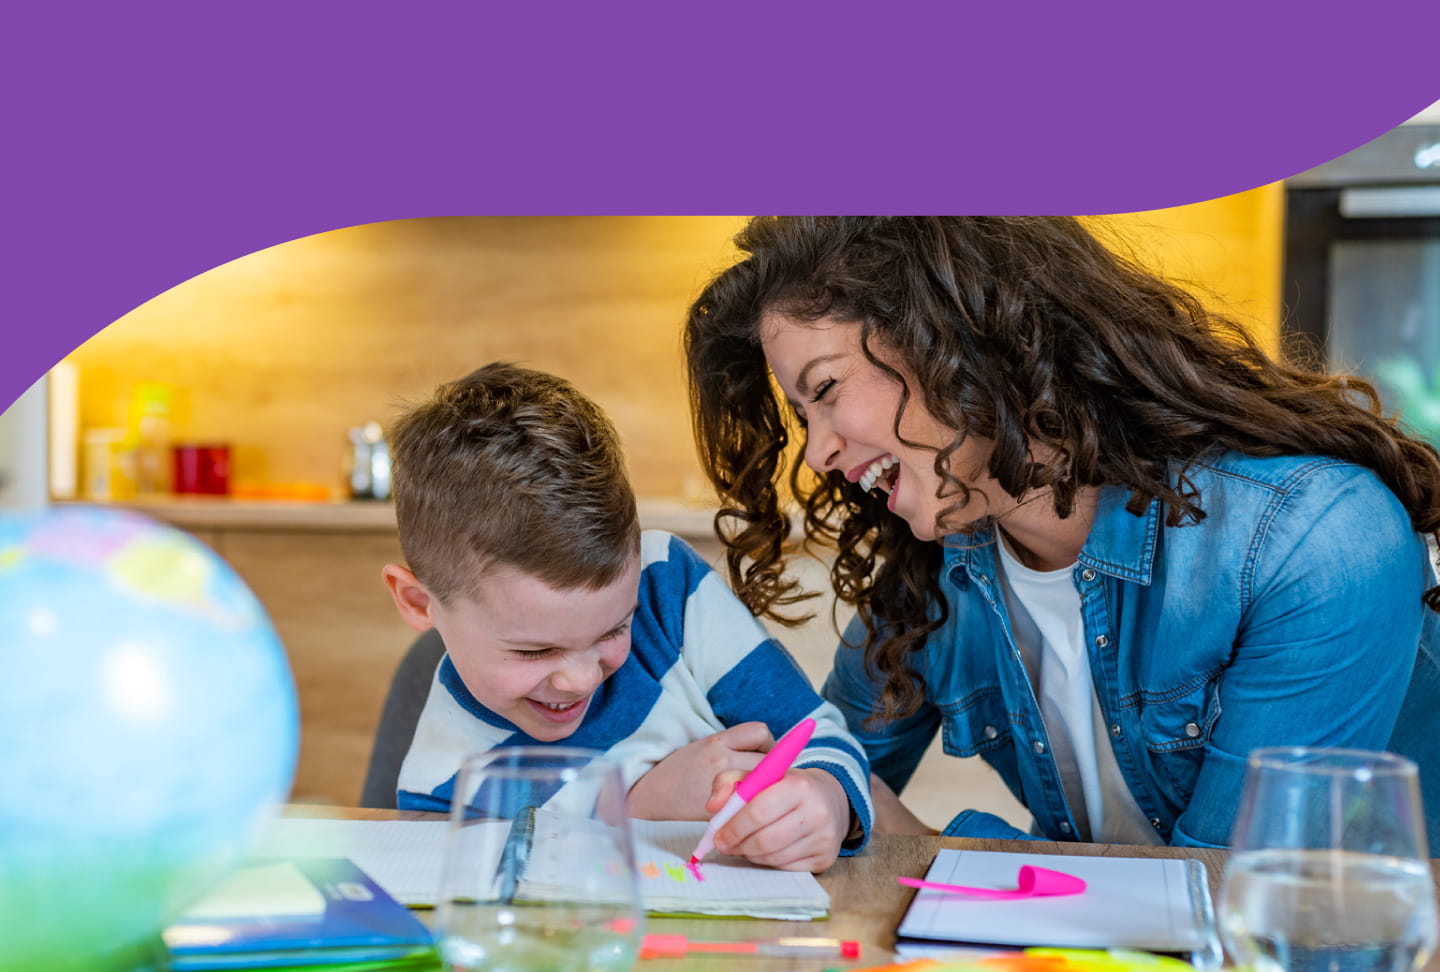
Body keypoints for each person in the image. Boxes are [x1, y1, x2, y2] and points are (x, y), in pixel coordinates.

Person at [683, 215, 1440, 849]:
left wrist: (944, 851)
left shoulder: (1314, 542)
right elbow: (830, 756)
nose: (817, 453)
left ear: (954, 341)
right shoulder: (934, 568)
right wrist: (813, 802)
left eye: (824, 390)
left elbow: (1226, 906)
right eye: (802, 416)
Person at [380, 362, 872, 872]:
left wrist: (826, 799)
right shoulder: (438, 789)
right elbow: (498, 917)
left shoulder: (666, 588)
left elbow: (820, 737)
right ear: (418, 603)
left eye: (615, 628)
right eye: (535, 650)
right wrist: (634, 808)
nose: (581, 678)